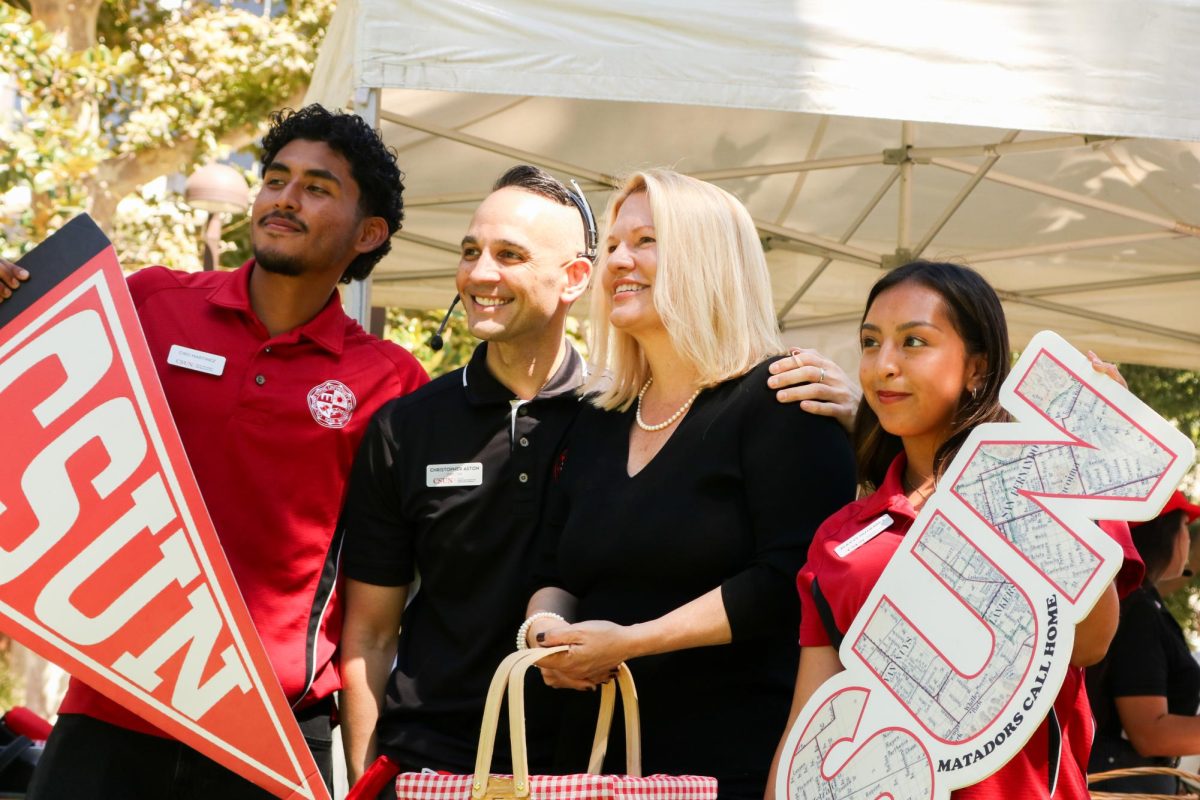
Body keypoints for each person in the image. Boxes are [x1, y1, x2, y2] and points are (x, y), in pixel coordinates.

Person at [2, 104, 428, 799]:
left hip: (274, 734)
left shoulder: (391, 382)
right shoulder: (147, 303)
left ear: (369, 232)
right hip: (110, 714)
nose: (285, 199)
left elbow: (375, 611)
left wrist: (371, 769)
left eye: (318, 188)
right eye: (275, 179)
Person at [523, 168, 857, 799]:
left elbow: (796, 581)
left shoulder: (783, 400)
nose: (619, 259)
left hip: (728, 765)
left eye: (646, 241)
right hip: (589, 766)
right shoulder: (597, 418)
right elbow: (553, 566)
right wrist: (543, 635)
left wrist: (631, 644)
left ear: (707, 258)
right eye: (614, 245)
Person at [767, 260, 1144, 800]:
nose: (883, 365)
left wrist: (1075, 464)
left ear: (977, 367)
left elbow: (1089, 643)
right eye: (870, 343)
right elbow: (811, 720)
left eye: (914, 342)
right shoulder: (840, 535)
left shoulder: (1049, 482)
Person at [336, 165, 595, 789]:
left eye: (509, 255)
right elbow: (369, 633)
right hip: (432, 766)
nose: (480, 274)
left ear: (575, 278)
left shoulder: (626, 421)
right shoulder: (405, 427)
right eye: (471, 251)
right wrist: (369, 780)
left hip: (593, 766)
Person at [1088, 490, 1200, 795]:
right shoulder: (1137, 611)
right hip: (1121, 783)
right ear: (1168, 535)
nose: (1189, 541)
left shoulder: (1143, 605)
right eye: (1185, 528)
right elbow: (1149, 731)